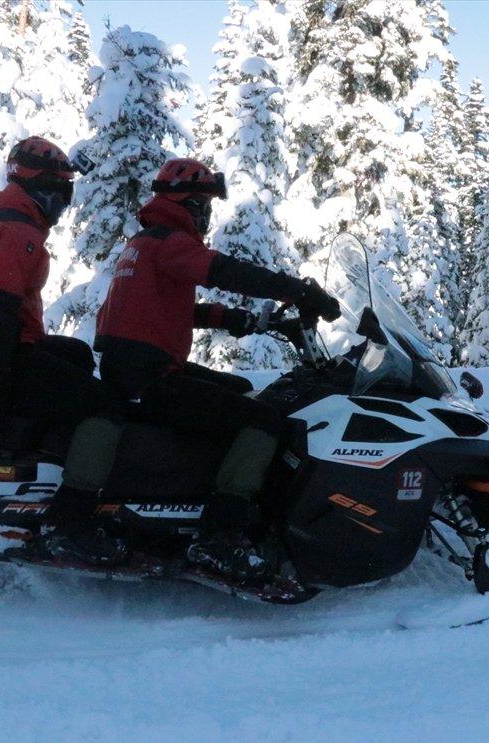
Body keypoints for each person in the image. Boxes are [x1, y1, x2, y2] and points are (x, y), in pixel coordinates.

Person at [83, 157, 341, 582]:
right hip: (148, 380)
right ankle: (220, 535)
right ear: (191, 204)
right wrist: (298, 291)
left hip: (137, 372)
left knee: (240, 388)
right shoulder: (170, 241)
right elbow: (224, 271)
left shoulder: (145, 243)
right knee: (263, 420)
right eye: (205, 205)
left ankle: (210, 495)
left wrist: (240, 320)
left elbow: (168, 307)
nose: (207, 215)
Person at [0, 136, 127, 564]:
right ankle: (72, 517)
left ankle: (47, 457)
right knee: (106, 407)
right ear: (40, 188)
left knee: (76, 356)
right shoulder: (19, 232)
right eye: (61, 194)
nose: (62, 205)